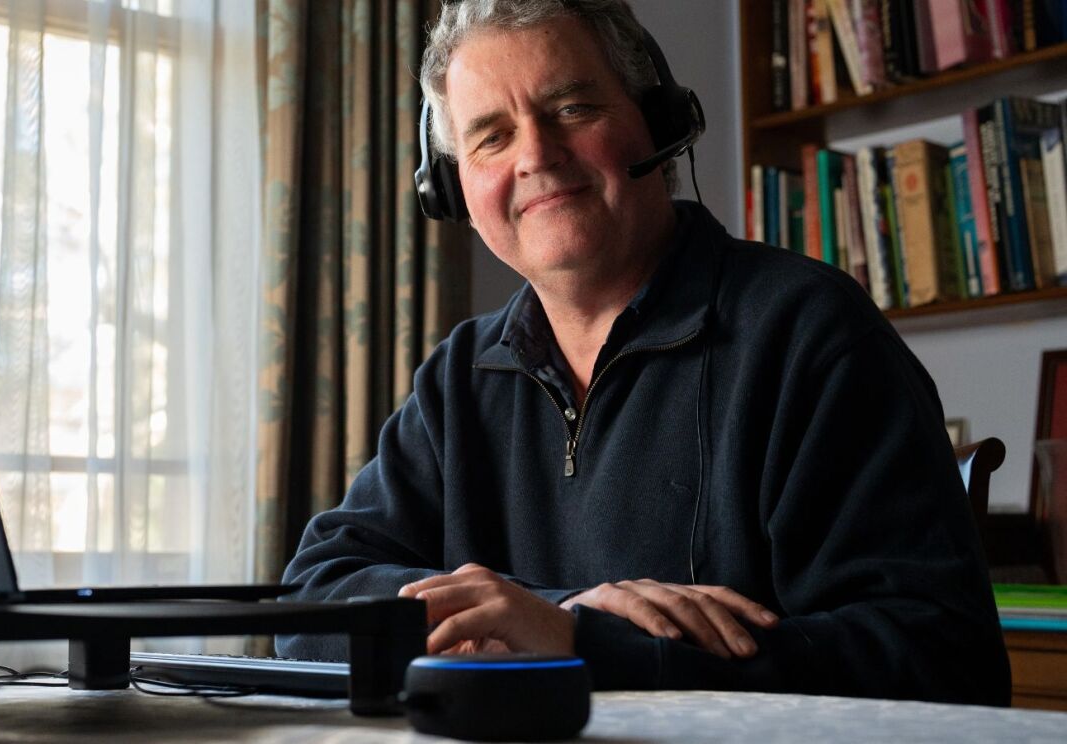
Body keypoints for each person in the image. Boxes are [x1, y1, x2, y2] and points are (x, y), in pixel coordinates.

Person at [277, 0, 1010, 705]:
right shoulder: (459, 376)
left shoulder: (810, 334)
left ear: (659, 123)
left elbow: (942, 663)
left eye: (572, 108)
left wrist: (584, 642)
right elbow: (312, 601)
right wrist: (550, 612)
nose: (536, 155)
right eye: (492, 137)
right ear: (450, 189)